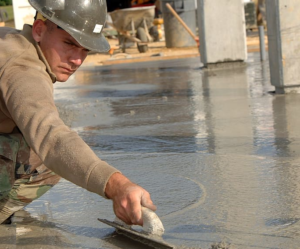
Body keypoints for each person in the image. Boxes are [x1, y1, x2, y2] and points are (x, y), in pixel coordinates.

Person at [0, 0, 156, 225]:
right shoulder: (24, 71)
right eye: (69, 44)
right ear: (39, 30)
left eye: (85, 50)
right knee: (50, 157)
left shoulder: (8, 39)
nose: (76, 60)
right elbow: (52, 138)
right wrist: (116, 184)